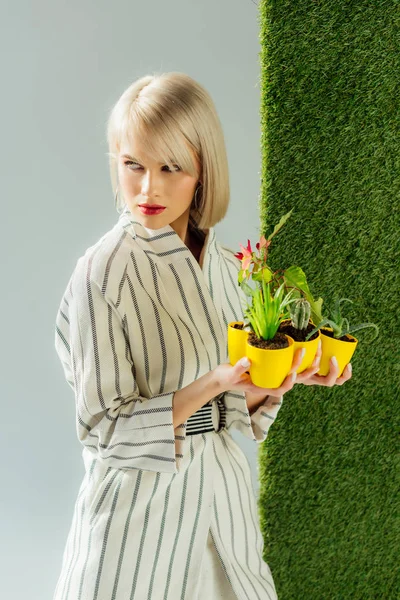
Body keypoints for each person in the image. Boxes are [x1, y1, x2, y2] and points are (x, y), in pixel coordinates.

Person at [52, 72, 352, 600]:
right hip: (137, 519)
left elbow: (236, 406)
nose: (149, 187)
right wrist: (213, 382)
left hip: (222, 502)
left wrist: (277, 382)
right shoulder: (103, 272)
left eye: (171, 167)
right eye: (133, 165)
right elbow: (103, 428)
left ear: (202, 171)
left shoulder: (224, 263)